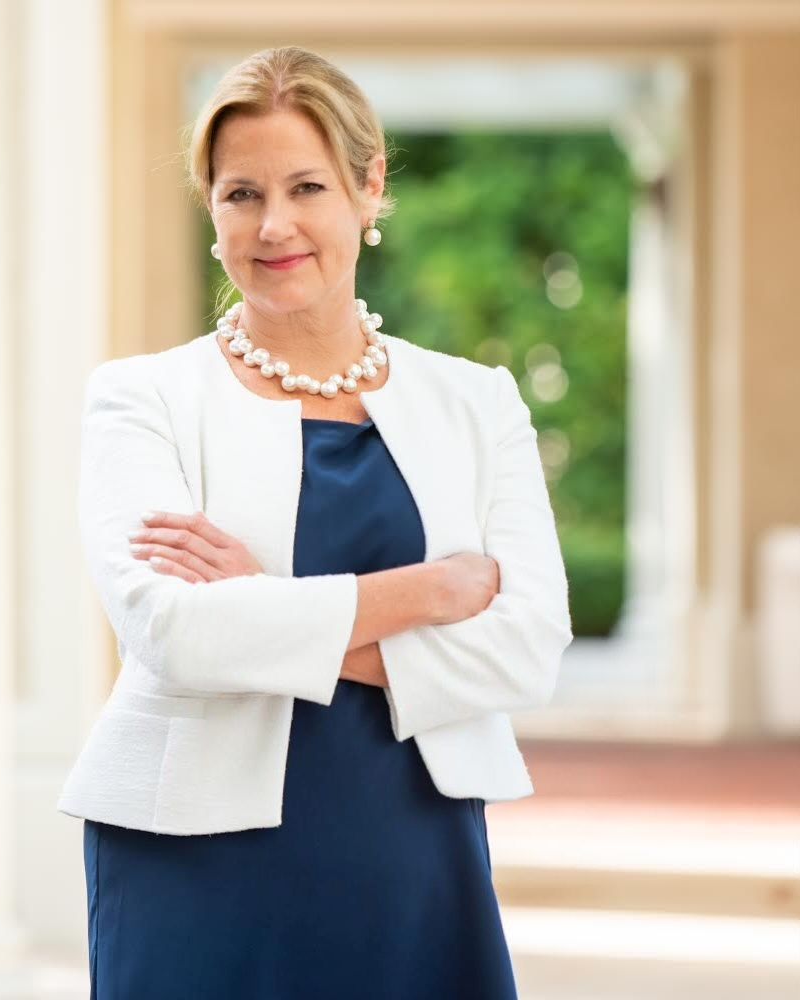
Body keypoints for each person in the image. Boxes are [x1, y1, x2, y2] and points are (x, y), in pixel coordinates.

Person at [57, 45, 573, 999]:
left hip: (410, 841)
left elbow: (526, 647)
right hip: (186, 851)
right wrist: (422, 593)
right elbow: (170, 630)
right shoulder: (142, 398)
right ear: (209, 209)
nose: (274, 224)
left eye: (306, 187)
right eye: (240, 193)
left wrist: (258, 604)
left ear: (368, 189)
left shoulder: (476, 402)